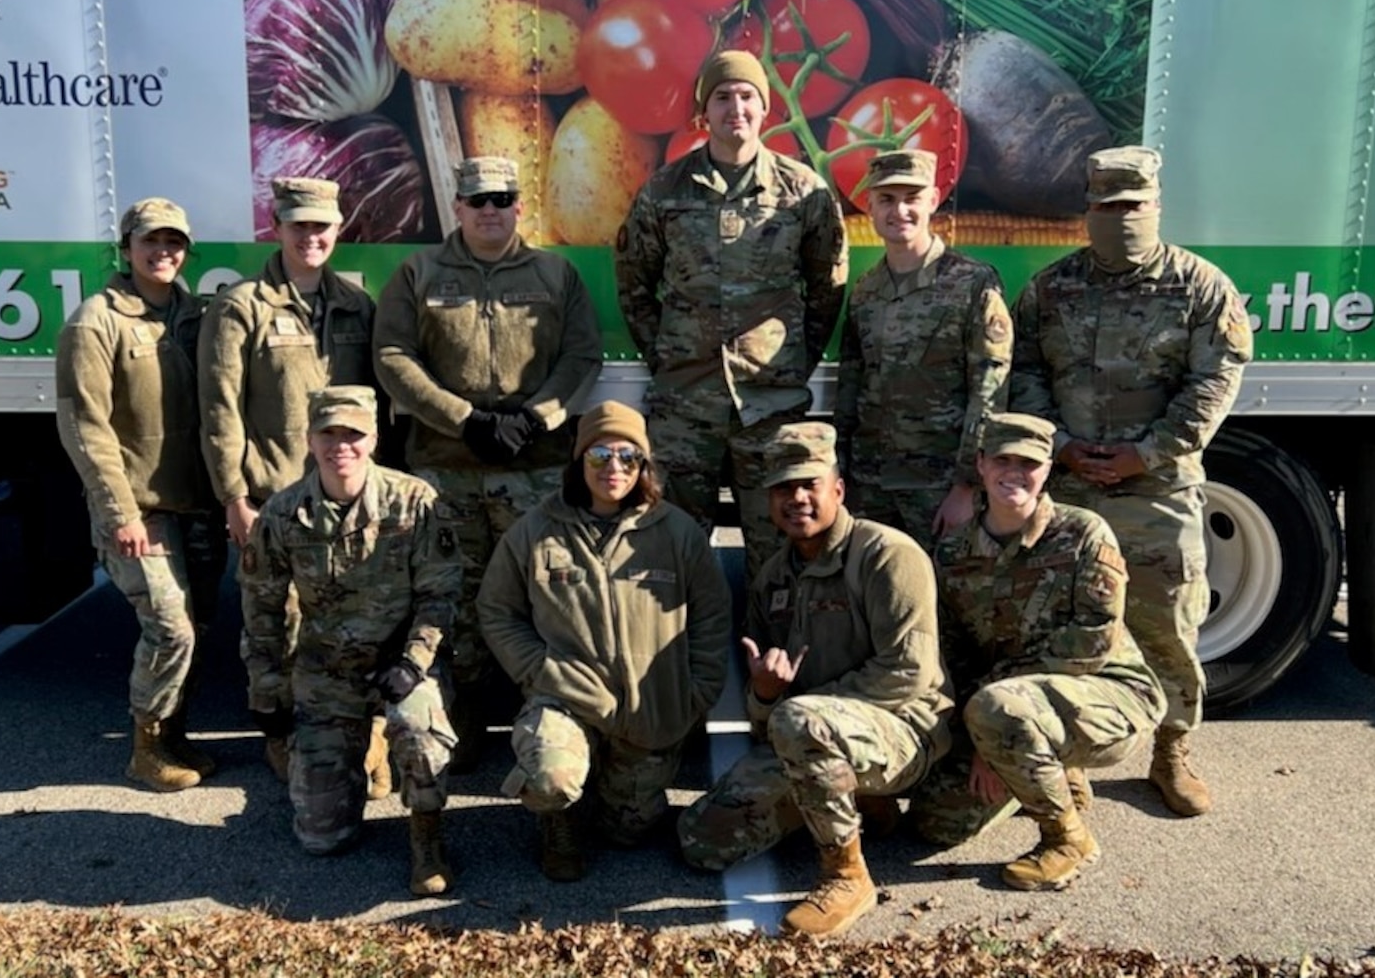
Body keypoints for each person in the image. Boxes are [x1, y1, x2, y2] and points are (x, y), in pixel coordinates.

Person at [1009, 145, 1251, 817]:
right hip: (1069, 486)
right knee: (1064, 623)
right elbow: (1023, 373)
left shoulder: (1199, 288)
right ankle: (1071, 751)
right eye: (1106, 207)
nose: (1120, 219)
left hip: (1156, 490)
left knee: (1166, 619)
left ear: (1156, 206)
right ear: (1087, 211)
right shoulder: (1051, 289)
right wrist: (1058, 445)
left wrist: (1145, 454)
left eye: (1132, 207)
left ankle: (1172, 748)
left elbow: (1214, 382)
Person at [678, 422, 951, 938]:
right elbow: (764, 714)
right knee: (702, 842)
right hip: (809, 734)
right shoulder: (772, 579)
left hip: (905, 728)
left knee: (802, 720)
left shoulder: (886, 555)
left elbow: (909, 672)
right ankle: (862, 800)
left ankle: (846, 874)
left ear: (838, 490)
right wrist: (765, 693)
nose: (797, 498)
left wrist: (798, 710)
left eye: (810, 485)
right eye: (783, 487)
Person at [374, 155, 603, 770]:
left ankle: (546, 724)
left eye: (502, 199)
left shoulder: (556, 274)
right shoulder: (419, 273)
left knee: (545, 597)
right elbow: (392, 357)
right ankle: (464, 720)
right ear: (458, 207)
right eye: (478, 201)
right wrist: (465, 420)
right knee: (456, 600)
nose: (490, 211)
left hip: (535, 467)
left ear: (519, 205)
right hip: (447, 468)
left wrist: (536, 417)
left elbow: (583, 355)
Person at [614, 50, 848, 582]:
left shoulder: (803, 192)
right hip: (683, 408)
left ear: (764, 109)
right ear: (704, 113)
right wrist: (668, 356)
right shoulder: (663, 193)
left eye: (746, 96)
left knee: (779, 555)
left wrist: (790, 362)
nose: (734, 108)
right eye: (722, 97)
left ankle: (772, 657)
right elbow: (633, 282)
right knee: (668, 554)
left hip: (769, 407)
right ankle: (675, 661)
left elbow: (826, 288)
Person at [906, 413, 1164, 890]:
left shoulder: (1084, 533)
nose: (1015, 472)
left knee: (997, 710)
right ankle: (1043, 769)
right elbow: (953, 653)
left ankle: (1066, 838)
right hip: (1005, 706)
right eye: (1003, 459)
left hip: (1107, 693)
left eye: (1029, 462)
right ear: (981, 465)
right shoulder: (953, 553)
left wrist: (992, 719)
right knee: (935, 823)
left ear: (1048, 469)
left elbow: (1093, 641)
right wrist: (980, 730)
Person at [476, 400, 730, 881]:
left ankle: (604, 788)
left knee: (627, 831)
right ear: (579, 462)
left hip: (649, 711)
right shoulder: (536, 531)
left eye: (628, 457)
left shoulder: (676, 532)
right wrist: (540, 671)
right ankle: (559, 817)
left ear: (644, 465)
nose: (614, 467)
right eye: (599, 456)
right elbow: (497, 610)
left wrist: (696, 694)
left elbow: (712, 618)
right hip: (566, 698)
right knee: (552, 780)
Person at [242, 385, 460, 896]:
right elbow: (263, 611)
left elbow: (442, 595)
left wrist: (414, 661)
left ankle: (426, 840)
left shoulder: (414, 502)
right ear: (310, 439)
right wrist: (267, 689)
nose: (342, 445)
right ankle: (360, 753)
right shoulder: (282, 513)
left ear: (374, 439)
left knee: (423, 739)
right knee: (323, 838)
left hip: (400, 665)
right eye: (329, 434)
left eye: (354, 434)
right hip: (328, 673)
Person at [200, 176, 381, 787]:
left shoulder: (358, 306)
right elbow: (220, 410)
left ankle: (353, 738)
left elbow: (376, 410)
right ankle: (281, 736)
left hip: (345, 499)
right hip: (275, 500)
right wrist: (234, 498)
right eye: (298, 225)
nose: (311, 237)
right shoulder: (240, 308)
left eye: (321, 226)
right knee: (273, 625)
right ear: (275, 228)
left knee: (350, 623)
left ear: (338, 231)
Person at [55, 197, 223, 792]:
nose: (163, 252)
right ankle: (147, 746)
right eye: (151, 241)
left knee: (198, 625)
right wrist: (118, 512)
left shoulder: (196, 315)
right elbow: (84, 426)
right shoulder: (95, 322)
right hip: (142, 512)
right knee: (170, 628)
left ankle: (176, 736)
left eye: (174, 243)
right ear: (126, 249)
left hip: (196, 502)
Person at [835, 149, 1011, 551]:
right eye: (887, 199)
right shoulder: (865, 292)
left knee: (944, 602)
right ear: (870, 207)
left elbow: (989, 392)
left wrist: (967, 486)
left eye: (912, 198)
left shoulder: (972, 284)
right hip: (871, 485)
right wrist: (841, 475)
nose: (900, 211)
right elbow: (849, 391)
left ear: (932, 201)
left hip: (938, 487)